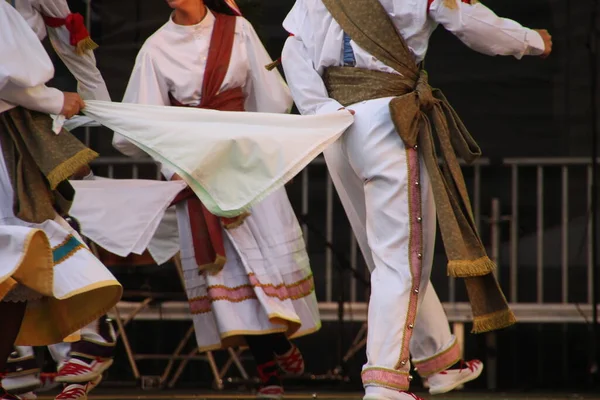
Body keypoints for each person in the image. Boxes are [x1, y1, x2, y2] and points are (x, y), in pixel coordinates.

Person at [281, 0, 552, 399]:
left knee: (389, 258)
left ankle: (439, 360)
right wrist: (531, 40)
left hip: (337, 128)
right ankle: (384, 381)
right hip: (388, 120)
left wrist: (322, 112)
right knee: (400, 262)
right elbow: (467, 20)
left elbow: (293, 49)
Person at [112, 0, 320, 398]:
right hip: (197, 167)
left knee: (264, 263)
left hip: (244, 159)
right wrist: (174, 166)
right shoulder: (156, 47)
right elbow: (144, 121)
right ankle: (268, 367)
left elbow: (271, 96)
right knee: (231, 270)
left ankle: (276, 344)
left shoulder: (236, 30)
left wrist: (265, 148)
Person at [0, 2, 122, 400]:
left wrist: (105, 110)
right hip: (20, 113)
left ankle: (83, 342)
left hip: (15, 122)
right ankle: (73, 347)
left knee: (27, 233)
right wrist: (54, 101)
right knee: (23, 240)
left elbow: (68, 44)